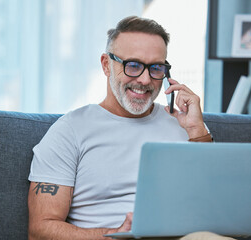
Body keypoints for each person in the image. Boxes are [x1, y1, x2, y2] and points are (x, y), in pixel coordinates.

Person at [27, 16, 230, 240]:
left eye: (156, 68)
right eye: (133, 65)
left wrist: (197, 131)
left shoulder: (189, 127)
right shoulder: (69, 131)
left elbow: (222, 212)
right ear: (106, 65)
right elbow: (40, 231)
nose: (145, 79)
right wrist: (113, 235)